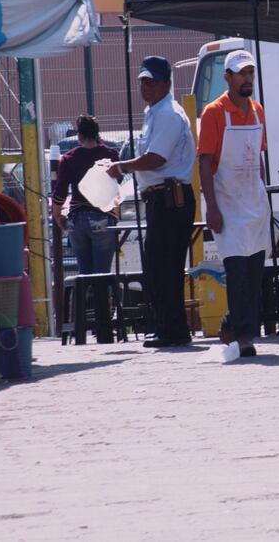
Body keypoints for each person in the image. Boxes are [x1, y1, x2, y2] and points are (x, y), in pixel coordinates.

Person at [107, 56, 196, 349]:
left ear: (167, 84)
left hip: (171, 197)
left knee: (164, 265)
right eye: (143, 82)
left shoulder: (168, 114)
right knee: (159, 265)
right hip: (160, 197)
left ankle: (173, 329)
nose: (147, 87)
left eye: (153, 82)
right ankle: (168, 326)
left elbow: (157, 158)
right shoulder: (155, 113)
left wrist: (122, 167)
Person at [197, 50, 272, 358]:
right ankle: (244, 337)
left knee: (254, 274)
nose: (247, 78)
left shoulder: (257, 111)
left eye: (250, 73)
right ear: (227, 77)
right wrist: (212, 207)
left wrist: (263, 193)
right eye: (241, 73)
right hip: (227, 203)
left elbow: (258, 157)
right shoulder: (214, 112)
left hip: (254, 202)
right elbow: (204, 162)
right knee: (237, 272)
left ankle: (233, 324)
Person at [52, 115, 121, 275]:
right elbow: (117, 183)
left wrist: (57, 215)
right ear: (97, 133)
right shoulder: (111, 155)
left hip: (77, 218)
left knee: (84, 273)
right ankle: (102, 292)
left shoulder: (69, 158)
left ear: (80, 135)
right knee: (102, 274)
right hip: (103, 217)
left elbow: (60, 192)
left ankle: (86, 290)